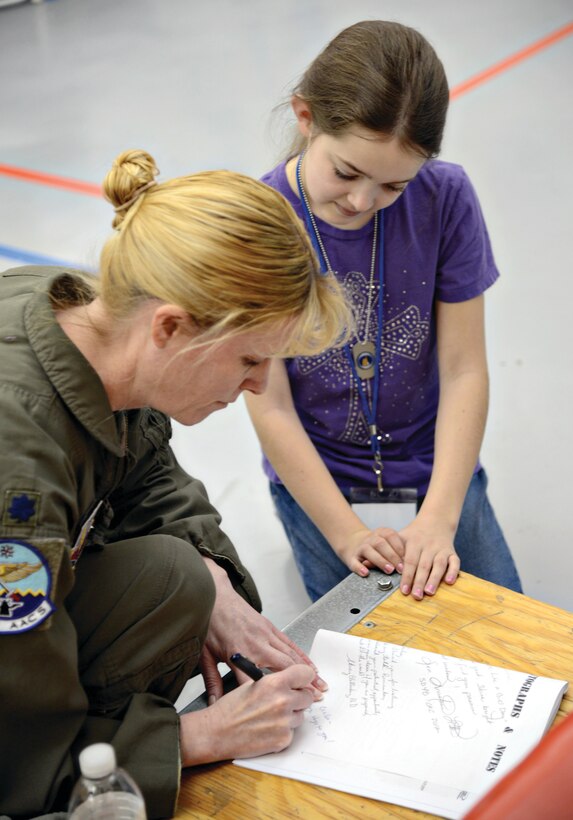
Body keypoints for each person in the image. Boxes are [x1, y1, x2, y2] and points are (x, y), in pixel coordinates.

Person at [0, 149, 351, 819]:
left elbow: (146, 471)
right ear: (169, 326)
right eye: (249, 360)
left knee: (179, 576)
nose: (256, 386)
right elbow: (13, 754)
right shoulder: (18, 486)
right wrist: (193, 740)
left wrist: (213, 574)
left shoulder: (88, 318)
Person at [246, 20, 522, 604]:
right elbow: (269, 403)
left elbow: (465, 368)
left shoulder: (446, 198)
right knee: (367, 657)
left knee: (516, 646)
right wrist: (345, 531)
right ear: (305, 117)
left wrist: (441, 517)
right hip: (321, 482)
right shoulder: (262, 221)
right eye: (345, 172)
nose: (361, 202)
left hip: (435, 467)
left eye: (394, 186)